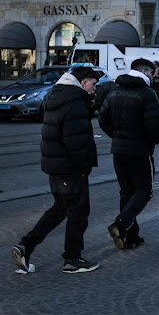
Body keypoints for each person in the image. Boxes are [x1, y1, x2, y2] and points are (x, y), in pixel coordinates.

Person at [12, 67, 101, 274]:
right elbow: (75, 141)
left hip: (56, 166)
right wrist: (83, 166)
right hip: (71, 168)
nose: (95, 89)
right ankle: (72, 259)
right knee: (79, 211)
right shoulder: (74, 103)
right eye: (93, 84)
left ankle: (26, 246)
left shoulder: (57, 95)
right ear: (83, 82)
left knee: (60, 209)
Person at [99, 58, 159, 250]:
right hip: (140, 150)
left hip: (118, 149)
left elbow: (103, 119)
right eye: (152, 73)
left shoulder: (115, 91)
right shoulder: (147, 93)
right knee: (144, 191)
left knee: (127, 191)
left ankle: (130, 236)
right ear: (145, 72)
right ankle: (120, 224)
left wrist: (116, 136)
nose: (153, 77)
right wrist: (150, 142)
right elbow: (154, 126)